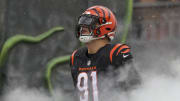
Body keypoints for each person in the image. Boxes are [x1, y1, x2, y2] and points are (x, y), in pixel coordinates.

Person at [70, 5, 140, 101]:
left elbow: (136, 89)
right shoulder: (76, 56)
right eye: (82, 22)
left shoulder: (116, 53)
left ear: (106, 26)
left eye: (89, 22)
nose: (83, 27)